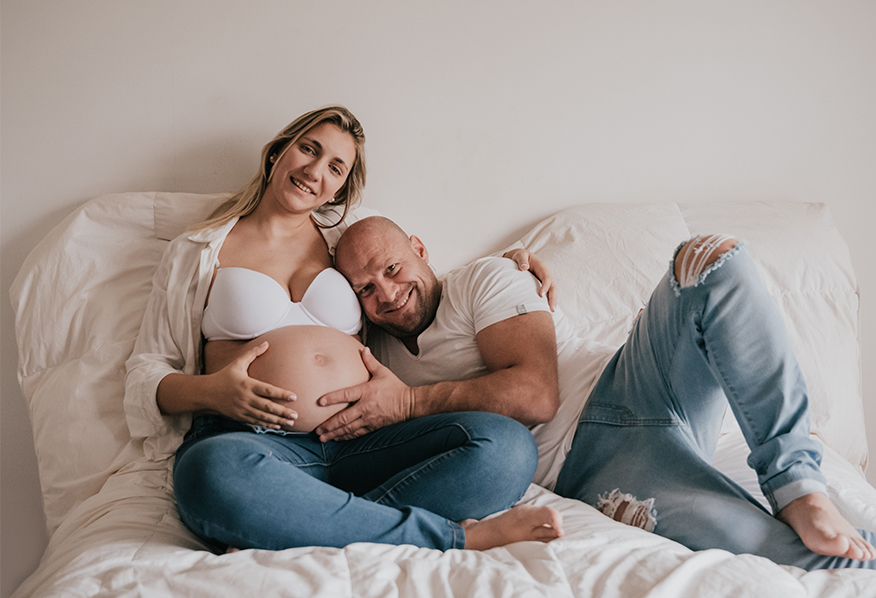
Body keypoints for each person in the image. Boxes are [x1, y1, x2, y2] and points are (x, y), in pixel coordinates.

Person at [321, 215, 876, 571]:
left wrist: (410, 403)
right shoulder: (375, 354)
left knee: (710, 258)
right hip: (598, 467)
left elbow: (535, 395)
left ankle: (798, 483)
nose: (388, 294)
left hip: (635, 382)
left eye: (393, 268)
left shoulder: (481, 280)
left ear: (420, 249)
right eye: (365, 288)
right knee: (770, 550)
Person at [124, 106, 564, 553]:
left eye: (335, 167)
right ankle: (450, 537)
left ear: (341, 187)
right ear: (277, 152)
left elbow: (412, 283)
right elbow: (147, 368)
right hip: (252, 442)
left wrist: (509, 267)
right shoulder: (197, 250)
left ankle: (296, 522)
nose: (315, 171)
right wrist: (213, 392)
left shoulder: (346, 241)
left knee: (505, 446)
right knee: (210, 473)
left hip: (362, 440)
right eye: (308, 150)